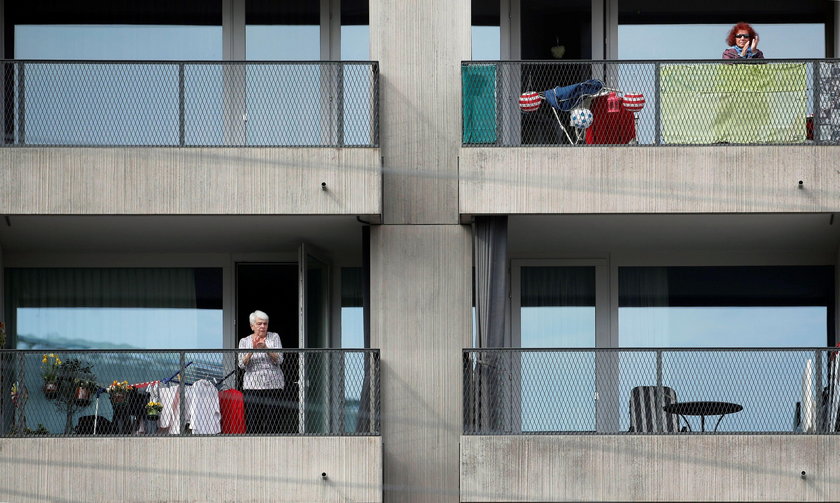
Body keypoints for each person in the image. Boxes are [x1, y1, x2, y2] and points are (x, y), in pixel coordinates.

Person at [238, 310, 285, 433]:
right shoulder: (244, 341)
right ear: (252, 326)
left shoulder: (274, 337)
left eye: (265, 323)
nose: (263, 326)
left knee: (273, 422)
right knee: (253, 422)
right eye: (259, 324)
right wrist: (252, 350)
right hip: (252, 386)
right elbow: (241, 364)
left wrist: (266, 349)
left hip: (273, 385)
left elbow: (280, 360)